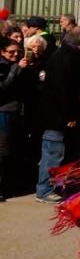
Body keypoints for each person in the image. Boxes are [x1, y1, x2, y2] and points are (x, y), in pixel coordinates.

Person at [35, 26, 80, 203]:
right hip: (57, 117)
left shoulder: (66, 56)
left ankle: (51, 187)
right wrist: (70, 116)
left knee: (54, 152)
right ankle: (44, 189)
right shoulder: (67, 59)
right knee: (52, 153)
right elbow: (64, 91)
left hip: (55, 115)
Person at [0, 36, 27, 201]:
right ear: (2, 52)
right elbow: (3, 87)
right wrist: (17, 69)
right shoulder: (4, 66)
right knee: (2, 151)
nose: (16, 54)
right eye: (11, 52)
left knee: (9, 151)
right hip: (3, 112)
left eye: (18, 51)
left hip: (15, 113)